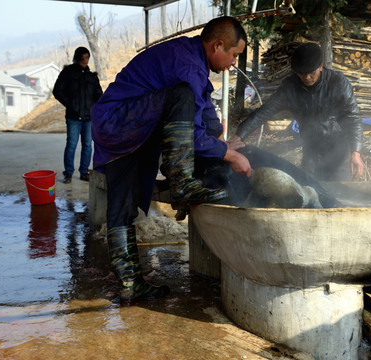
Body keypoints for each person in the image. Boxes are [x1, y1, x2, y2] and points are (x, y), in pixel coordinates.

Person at [90, 16, 251, 305]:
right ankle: (182, 183)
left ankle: (131, 284)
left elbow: (207, 120)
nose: (233, 63)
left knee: (123, 205)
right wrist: (230, 154)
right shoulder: (187, 66)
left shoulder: (194, 62)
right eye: (234, 55)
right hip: (119, 122)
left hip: (133, 124)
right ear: (217, 45)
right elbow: (194, 131)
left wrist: (222, 143)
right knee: (181, 95)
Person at [229, 42, 365, 181]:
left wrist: (356, 152)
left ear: (321, 66)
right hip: (311, 151)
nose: (306, 78)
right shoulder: (290, 87)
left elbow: (353, 118)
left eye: (311, 73)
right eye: (301, 74)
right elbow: (264, 112)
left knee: (339, 193)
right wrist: (239, 135)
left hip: (339, 152)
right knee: (309, 190)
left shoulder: (338, 83)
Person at [53, 46, 103, 184]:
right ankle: (68, 173)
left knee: (87, 145)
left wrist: (96, 106)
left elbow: (99, 94)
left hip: (88, 118)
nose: (85, 61)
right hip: (73, 117)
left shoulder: (92, 76)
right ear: (76, 58)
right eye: (82, 58)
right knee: (71, 145)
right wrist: (71, 104)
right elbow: (57, 91)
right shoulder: (67, 73)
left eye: (87, 58)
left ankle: (84, 172)